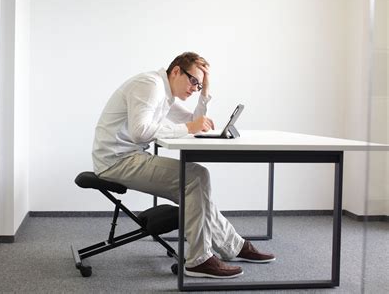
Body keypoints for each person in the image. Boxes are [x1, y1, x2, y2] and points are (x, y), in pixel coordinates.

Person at [92, 52, 275, 278]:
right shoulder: (151, 86)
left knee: (196, 186)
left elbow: (192, 122)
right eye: (193, 81)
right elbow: (140, 133)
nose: (194, 88)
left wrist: (205, 95)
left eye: (199, 85)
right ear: (176, 71)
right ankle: (200, 259)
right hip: (116, 161)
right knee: (196, 177)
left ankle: (233, 245)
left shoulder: (164, 92)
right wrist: (190, 128)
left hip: (127, 156)